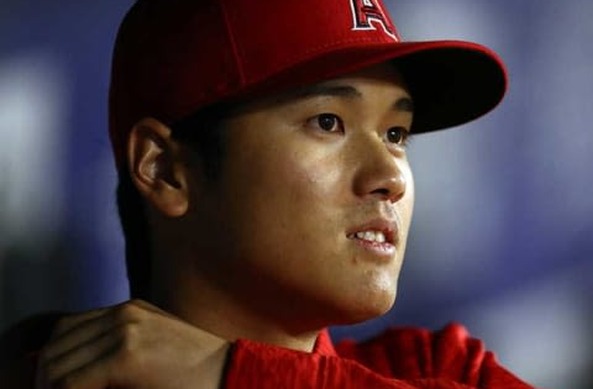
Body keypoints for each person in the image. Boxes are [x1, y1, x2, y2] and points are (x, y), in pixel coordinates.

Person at [1, 0, 534, 387]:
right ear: (164, 169)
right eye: (328, 122)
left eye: (396, 135)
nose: (389, 177)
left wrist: (229, 375)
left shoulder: (436, 369)